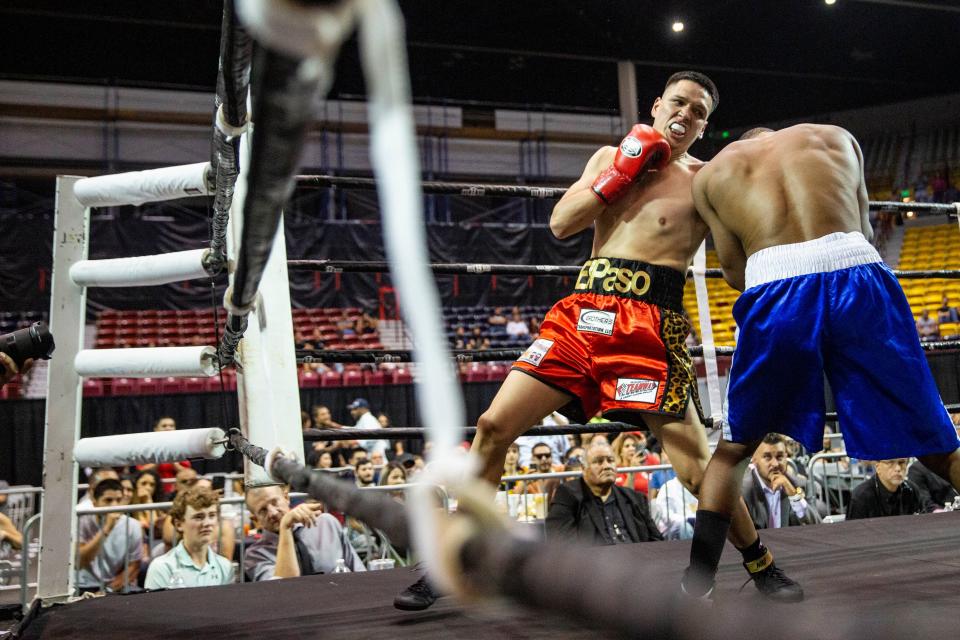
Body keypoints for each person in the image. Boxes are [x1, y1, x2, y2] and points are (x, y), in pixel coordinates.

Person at [396, 70, 795, 611]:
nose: (685, 115)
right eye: (678, 103)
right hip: (582, 315)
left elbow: (737, 260)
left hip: (649, 325)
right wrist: (620, 176)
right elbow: (562, 223)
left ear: (704, 127)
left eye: (698, 112)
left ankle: (760, 563)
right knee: (492, 427)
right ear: (657, 106)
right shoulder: (612, 154)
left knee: (697, 468)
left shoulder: (707, 181)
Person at [683, 123, 960, 599]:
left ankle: (696, 584)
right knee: (934, 435)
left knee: (734, 449)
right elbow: (866, 230)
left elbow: (735, 271)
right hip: (857, 270)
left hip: (776, 283)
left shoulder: (714, 173)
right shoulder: (836, 137)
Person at [546, 442, 662, 545]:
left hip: (636, 563)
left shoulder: (635, 498)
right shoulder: (567, 496)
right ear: (584, 468)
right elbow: (560, 543)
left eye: (610, 460)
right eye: (598, 461)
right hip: (593, 565)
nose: (606, 466)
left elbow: (656, 541)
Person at [245, 485, 363, 579]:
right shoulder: (255, 556)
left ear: (286, 498)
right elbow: (282, 591)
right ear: (255, 519)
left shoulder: (326, 524)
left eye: (275, 502)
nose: (273, 513)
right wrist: (285, 528)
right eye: (263, 510)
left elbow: (359, 572)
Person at [144, 486, 234, 589]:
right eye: (198, 517)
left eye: (212, 515)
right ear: (179, 525)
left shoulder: (225, 567)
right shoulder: (162, 568)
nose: (207, 523)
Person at [76, 478, 143, 593]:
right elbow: (79, 562)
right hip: (83, 585)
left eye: (118, 500)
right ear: (94, 502)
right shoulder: (82, 520)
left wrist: (108, 590)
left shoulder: (133, 526)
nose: (114, 505)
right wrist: (106, 529)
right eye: (108, 500)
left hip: (113, 587)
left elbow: (133, 567)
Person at [741, 434, 821, 529]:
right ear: (754, 459)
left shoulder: (801, 484)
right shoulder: (742, 490)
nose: (775, 464)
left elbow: (816, 526)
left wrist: (794, 495)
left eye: (779, 457)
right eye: (767, 457)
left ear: (786, 457)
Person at [846, 459, 933, 519]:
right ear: (877, 467)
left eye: (902, 462)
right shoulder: (861, 496)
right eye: (890, 463)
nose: (898, 469)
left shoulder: (911, 489)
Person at [137, 417, 192, 495]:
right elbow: (141, 472)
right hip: (152, 491)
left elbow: (188, 474)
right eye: (164, 426)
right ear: (156, 429)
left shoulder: (181, 448)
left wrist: (174, 462)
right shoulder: (146, 448)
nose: (168, 428)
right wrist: (160, 459)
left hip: (176, 491)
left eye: (171, 426)